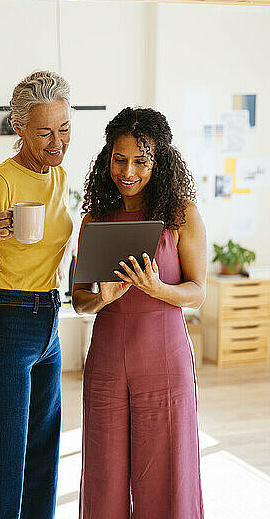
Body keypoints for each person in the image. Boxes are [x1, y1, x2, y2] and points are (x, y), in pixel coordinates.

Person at [73, 107, 207, 519]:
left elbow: (198, 292)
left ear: (159, 161)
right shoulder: (96, 217)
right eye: (119, 158)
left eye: (140, 161)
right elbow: (80, 300)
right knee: (104, 476)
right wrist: (105, 298)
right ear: (106, 157)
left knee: (166, 477)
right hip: (108, 360)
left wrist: (158, 289)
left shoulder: (181, 215)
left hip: (164, 359)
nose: (127, 170)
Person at [0, 71, 73, 519]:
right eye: (45, 131)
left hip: (50, 321)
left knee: (43, 457)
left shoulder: (60, 176)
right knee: (0, 463)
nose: (57, 141)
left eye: (64, 128)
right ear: (19, 128)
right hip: (5, 322)